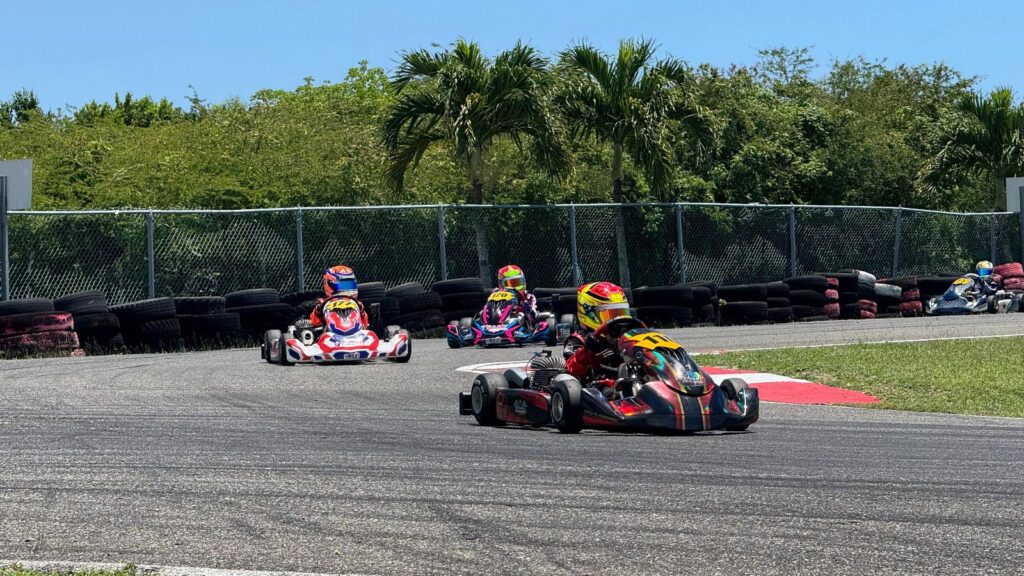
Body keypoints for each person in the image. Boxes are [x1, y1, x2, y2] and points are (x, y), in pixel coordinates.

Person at [562, 281, 642, 395]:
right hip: (597, 388)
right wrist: (587, 350)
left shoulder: (626, 337)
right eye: (610, 315)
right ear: (589, 314)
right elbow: (572, 369)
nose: (617, 320)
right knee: (606, 390)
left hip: (631, 378)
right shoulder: (578, 339)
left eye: (621, 313)